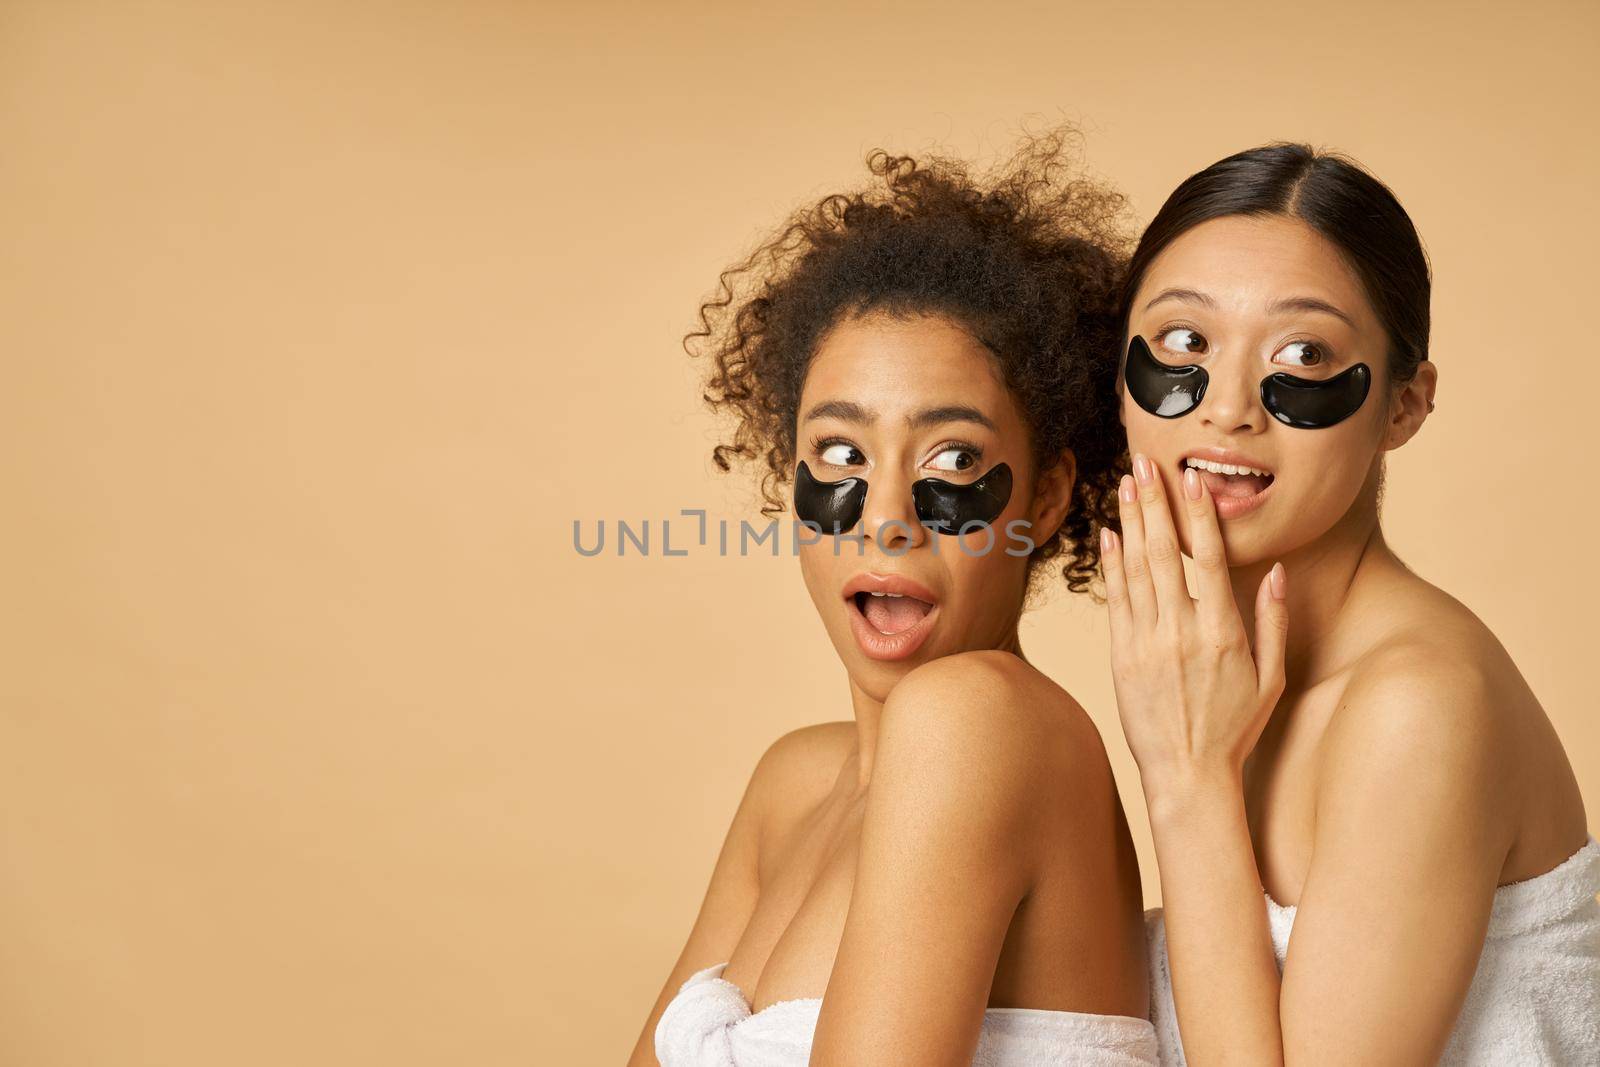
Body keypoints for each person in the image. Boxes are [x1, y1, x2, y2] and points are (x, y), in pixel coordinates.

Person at [626, 129, 1160, 1066]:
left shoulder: (982, 720)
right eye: (840, 454)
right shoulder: (793, 787)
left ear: (1043, 494)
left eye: (953, 459)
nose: (885, 518)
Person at [1099, 142, 1598, 1065]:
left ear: (1404, 407)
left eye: (1304, 353)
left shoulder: (1419, 703)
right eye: (1184, 343)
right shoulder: (1205, 674)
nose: (1227, 408)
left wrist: (1188, 781)